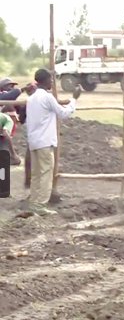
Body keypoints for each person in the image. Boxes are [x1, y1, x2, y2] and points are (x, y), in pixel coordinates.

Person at [26, 69, 80, 216]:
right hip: (45, 142)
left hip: (34, 141)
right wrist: (74, 99)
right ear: (44, 81)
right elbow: (63, 114)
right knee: (45, 174)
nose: (52, 82)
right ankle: (41, 205)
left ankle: (34, 203)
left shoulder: (31, 98)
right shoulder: (47, 97)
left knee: (36, 174)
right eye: (51, 79)